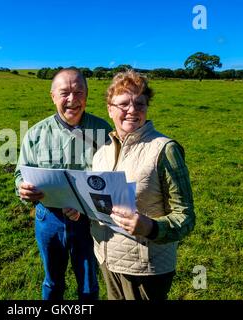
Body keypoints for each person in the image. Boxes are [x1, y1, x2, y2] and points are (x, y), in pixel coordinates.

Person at [91, 70, 195, 300]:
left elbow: (186, 218)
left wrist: (150, 227)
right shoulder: (101, 154)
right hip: (107, 258)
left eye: (140, 103)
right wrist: (78, 208)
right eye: (124, 104)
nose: (132, 110)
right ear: (109, 109)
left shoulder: (164, 149)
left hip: (146, 268)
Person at [14, 68, 113, 300]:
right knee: (52, 281)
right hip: (48, 219)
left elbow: (111, 180)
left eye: (79, 92)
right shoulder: (35, 133)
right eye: (65, 93)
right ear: (53, 96)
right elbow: (20, 172)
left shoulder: (104, 132)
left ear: (87, 95)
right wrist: (22, 187)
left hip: (89, 221)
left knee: (89, 284)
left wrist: (86, 206)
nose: (72, 99)